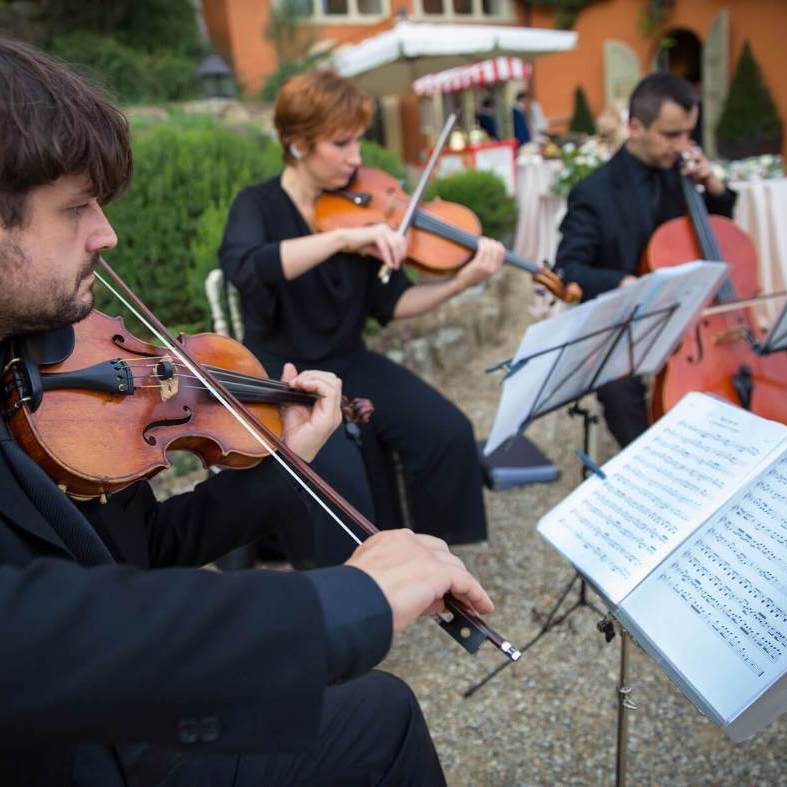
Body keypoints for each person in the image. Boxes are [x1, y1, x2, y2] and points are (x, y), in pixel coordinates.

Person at [0, 37, 498, 787]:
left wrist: (285, 460)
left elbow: (144, 549)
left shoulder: (44, 370)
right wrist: (333, 605)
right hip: (63, 749)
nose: (106, 234)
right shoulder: (261, 208)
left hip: (104, 710)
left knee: (380, 710)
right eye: (75, 209)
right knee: (375, 717)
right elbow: (33, 630)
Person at [219, 70, 506, 568]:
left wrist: (462, 280)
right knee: (339, 482)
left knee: (447, 432)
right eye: (341, 142)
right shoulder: (258, 204)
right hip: (282, 374)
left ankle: (428, 563)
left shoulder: (362, 205)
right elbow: (246, 265)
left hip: (349, 358)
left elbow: (393, 305)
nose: (357, 157)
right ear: (296, 142)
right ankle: (351, 590)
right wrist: (342, 240)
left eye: (359, 141)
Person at [554, 72, 737, 448]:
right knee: (620, 392)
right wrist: (626, 285)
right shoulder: (593, 192)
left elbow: (719, 233)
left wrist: (714, 186)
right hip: (625, 321)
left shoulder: (682, 174)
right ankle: (651, 463)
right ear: (635, 127)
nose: (683, 145)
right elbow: (568, 269)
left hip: (691, 319)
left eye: (689, 133)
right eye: (671, 135)